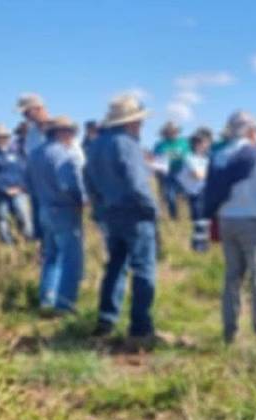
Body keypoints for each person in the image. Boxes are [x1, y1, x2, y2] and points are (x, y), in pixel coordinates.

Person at [203, 110, 256, 344]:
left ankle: (230, 333)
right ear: (251, 131)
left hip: (227, 221)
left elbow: (209, 193)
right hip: (254, 223)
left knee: (232, 278)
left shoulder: (217, 156)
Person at [84, 95, 161, 343]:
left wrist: (99, 208)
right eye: (139, 121)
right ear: (131, 122)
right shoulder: (127, 144)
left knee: (116, 265)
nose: (141, 125)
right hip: (134, 214)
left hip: (110, 213)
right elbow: (137, 183)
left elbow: (88, 180)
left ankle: (106, 320)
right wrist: (152, 209)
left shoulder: (95, 144)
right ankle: (140, 328)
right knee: (143, 269)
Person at [26, 116, 86, 315]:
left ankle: (47, 298)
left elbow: (28, 184)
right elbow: (68, 184)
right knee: (71, 258)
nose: (72, 136)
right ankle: (65, 304)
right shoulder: (64, 154)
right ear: (61, 132)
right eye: (70, 131)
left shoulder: (35, 154)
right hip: (64, 210)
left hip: (44, 209)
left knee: (51, 256)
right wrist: (80, 201)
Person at [0, 124, 33, 245]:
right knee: (2, 218)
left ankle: (28, 242)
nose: (3, 139)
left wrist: (24, 187)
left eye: (5, 137)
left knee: (24, 216)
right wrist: (5, 189)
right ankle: (8, 245)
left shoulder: (15, 153)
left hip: (19, 191)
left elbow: (23, 170)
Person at [16, 93, 51, 239]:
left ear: (37, 109)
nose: (24, 116)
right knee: (41, 231)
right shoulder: (31, 134)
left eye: (26, 112)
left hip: (56, 191)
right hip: (37, 190)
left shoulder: (60, 129)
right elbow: (29, 161)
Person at [178, 131, 212, 252]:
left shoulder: (207, 159)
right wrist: (211, 174)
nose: (207, 145)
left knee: (206, 221)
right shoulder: (190, 158)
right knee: (199, 221)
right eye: (204, 142)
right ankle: (198, 247)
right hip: (196, 193)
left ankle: (204, 245)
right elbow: (198, 175)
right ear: (197, 144)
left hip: (206, 192)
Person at [152, 121, 189, 220]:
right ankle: (174, 216)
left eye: (173, 131)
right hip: (167, 174)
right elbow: (156, 159)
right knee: (170, 196)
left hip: (182, 173)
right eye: (169, 132)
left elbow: (190, 157)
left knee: (186, 195)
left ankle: (189, 215)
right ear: (165, 133)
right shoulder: (160, 145)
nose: (172, 133)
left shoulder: (184, 143)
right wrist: (158, 173)